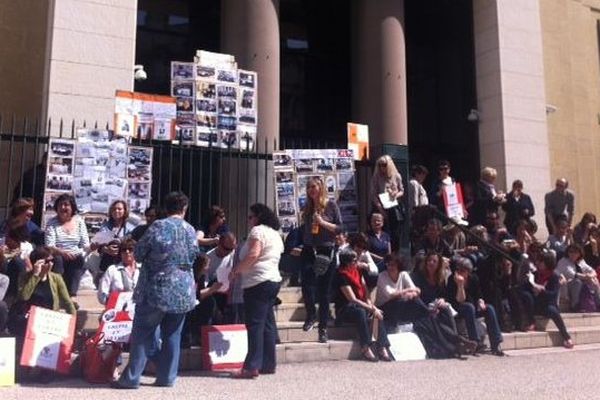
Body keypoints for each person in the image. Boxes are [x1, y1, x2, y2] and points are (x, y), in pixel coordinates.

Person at [113, 191, 199, 389]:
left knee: (143, 332)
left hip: (157, 289)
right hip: (183, 290)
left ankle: (131, 378)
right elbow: (195, 255)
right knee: (172, 334)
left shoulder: (158, 226)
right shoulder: (190, 229)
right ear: (184, 209)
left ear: (166, 208)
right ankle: (167, 377)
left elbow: (140, 254)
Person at [229, 203, 283, 378]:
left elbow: (254, 254)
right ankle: (268, 363)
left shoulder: (258, 231)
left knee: (254, 325)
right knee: (267, 323)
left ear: (258, 217)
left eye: (251, 216)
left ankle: (251, 366)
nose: (249, 220)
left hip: (257, 282)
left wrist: (236, 270)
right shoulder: (275, 234)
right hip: (273, 280)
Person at [13, 246, 75, 382]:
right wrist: (36, 276)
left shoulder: (56, 278)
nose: (50, 264)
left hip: (49, 319)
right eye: (47, 261)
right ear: (38, 262)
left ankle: (46, 370)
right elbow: (23, 296)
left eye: (52, 261)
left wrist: (73, 321)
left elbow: (67, 302)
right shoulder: (25, 277)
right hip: (30, 319)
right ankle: (28, 365)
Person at [299, 177, 342, 343]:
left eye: (314, 186)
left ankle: (323, 328)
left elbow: (340, 228)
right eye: (309, 187)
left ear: (321, 188)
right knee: (306, 284)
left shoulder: (330, 205)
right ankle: (311, 314)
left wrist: (322, 222)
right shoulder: (307, 208)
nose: (311, 190)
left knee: (324, 292)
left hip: (326, 249)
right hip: (309, 249)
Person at [334, 248, 391, 362]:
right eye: (354, 261)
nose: (357, 262)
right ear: (347, 262)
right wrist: (370, 308)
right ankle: (365, 347)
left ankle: (382, 347)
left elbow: (366, 294)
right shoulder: (341, 275)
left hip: (360, 306)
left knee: (376, 314)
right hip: (345, 309)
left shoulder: (358, 272)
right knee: (361, 312)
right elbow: (352, 299)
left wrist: (373, 308)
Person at [446, 257, 505, 356]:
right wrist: (460, 285)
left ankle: (496, 344)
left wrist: (480, 301)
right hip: (458, 308)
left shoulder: (474, 279)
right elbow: (460, 300)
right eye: (458, 270)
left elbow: (479, 295)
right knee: (469, 307)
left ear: (468, 272)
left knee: (489, 308)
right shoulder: (452, 280)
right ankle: (475, 342)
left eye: (463, 270)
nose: (460, 272)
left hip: (472, 307)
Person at [520, 251, 574, 348]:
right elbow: (526, 287)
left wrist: (542, 290)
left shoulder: (554, 277)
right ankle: (531, 321)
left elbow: (553, 294)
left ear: (547, 263)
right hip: (534, 303)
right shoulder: (535, 274)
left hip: (546, 304)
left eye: (541, 261)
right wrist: (528, 283)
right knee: (525, 295)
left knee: (553, 311)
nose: (538, 263)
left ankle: (566, 337)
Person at [45, 194, 90, 298]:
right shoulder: (51, 223)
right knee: (58, 259)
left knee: (79, 259)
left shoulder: (79, 221)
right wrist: (62, 252)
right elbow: (49, 245)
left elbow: (85, 244)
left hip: (75, 255)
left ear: (72, 207)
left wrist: (88, 249)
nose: (63, 208)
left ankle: (72, 296)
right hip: (57, 254)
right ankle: (58, 293)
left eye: (66, 205)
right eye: (60, 205)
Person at [370, 155, 404, 252]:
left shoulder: (397, 175)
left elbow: (402, 191)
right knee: (380, 230)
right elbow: (373, 194)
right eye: (380, 165)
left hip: (393, 207)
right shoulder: (376, 177)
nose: (382, 167)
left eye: (384, 165)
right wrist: (380, 208)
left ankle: (395, 254)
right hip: (380, 206)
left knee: (395, 233)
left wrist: (395, 194)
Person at [556, 244, 599, 312]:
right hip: (567, 284)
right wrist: (586, 277)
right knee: (577, 282)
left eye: (575, 252)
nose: (572, 254)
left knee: (595, 280)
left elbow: (593, 271)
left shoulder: (581, 261)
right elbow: (572, 274)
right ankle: (574, 306)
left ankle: (598, 303)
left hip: (581, 282)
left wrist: (590, 277)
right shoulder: (563, 261)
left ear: (579, 253)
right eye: (570, 252)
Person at [95, 200, 135, 273]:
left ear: (125, 211)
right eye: (114, 209)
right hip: (106, 264)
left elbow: (133, 245)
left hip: (123, 264)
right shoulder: (105, 226)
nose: (116, 211)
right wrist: (107, 249)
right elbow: (98, 245)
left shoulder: (130, 227)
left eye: (119, 209)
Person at [97, 238, 140, 305]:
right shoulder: (112, 270)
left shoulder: (143, 270)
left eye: (130, 249)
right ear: (120, 253)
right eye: (124, 250)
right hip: (118, 310)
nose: (127, 252)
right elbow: (102, 295)